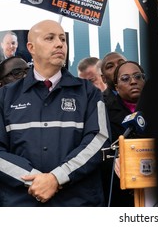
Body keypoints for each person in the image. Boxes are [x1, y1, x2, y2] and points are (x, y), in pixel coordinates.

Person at [0, 19, 110, 206]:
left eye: (62, 39)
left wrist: (57, 178)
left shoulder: (89, 92)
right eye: (50, 38)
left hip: (78, 205)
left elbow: (99, 139)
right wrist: (35, 180)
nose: (60, 43)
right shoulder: (5, 96)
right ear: (31, 47)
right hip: (22, 205)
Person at [102, 60, 146, 207]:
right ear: (116, 87)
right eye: (125, 79)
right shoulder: (105, 111)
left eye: (138, 76)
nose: (133, 82)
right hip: (120, 190)